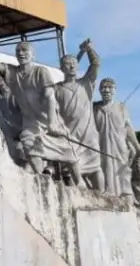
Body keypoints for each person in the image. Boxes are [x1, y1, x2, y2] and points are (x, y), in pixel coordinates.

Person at [0, 41, 77, 175]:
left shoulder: (38, 74)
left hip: (47, 120)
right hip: (22, 130)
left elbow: (50, 97)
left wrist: (52, 121)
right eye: (18, 51)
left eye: (24, 50)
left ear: (33, 54)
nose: (21, 53)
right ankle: (40, 177)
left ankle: (75, 178)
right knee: (29, 146)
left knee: (68, 152)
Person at [52, 42, 103, 189]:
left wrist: (89, 49)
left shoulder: (86, 83)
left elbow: (96, 63)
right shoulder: (56, 89)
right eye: (68, 64)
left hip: (89, 135)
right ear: (62, 68)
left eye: (74, 63)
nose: (72, 66)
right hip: (71, 136)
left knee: (96, 168)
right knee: (71, 171)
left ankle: (104, 198)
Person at [93, 77, 140, 196]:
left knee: (121, 171)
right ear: (99, 90)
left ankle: (124, 195)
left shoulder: (121, 107)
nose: (106, 90)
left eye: (110, 87)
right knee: (102, 167)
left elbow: (128, 127)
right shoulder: (94, 107)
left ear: (115, 90)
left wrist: (137, 145)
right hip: (100, 145)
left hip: (119, 147)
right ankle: (104, 191)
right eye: (103, 87)